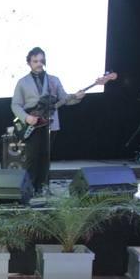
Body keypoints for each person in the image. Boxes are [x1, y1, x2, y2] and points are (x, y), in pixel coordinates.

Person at [11, 47, 85, 195]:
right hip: (32, 124)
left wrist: (77, 97)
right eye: (35, 61)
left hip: (50, 124)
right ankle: (29, 188)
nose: (39, 63)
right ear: (29, 63)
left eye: (41, 60)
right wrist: (27, 118)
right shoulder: (22, 82)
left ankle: (43, 187)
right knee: (32, 157)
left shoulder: (53, 80)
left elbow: (65, 99)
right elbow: (15, 105)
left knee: (46, 157)